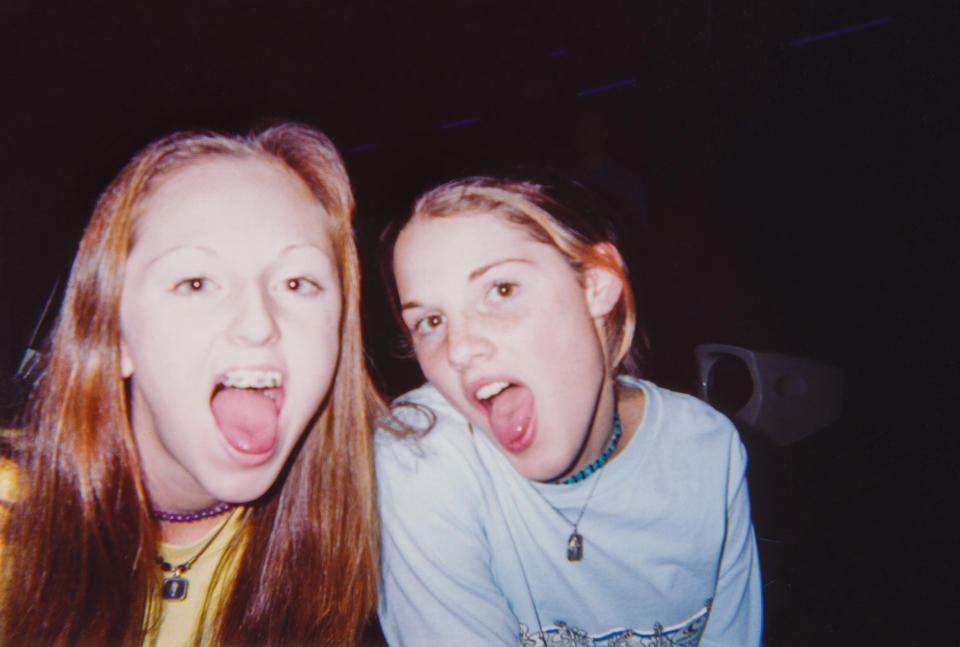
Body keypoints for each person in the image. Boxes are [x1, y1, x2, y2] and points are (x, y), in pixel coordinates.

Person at [0, 123, 384, 646]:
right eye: (196, 283)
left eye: (298, 283)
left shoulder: (390, 524)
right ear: (114, 333)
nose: (258, 323)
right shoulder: (12, 524)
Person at [375, 176, 762, 646]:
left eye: (501, 291)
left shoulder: (707, 451)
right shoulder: (421, 453)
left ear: (596, 285)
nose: (458, 349)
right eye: (430, 322)